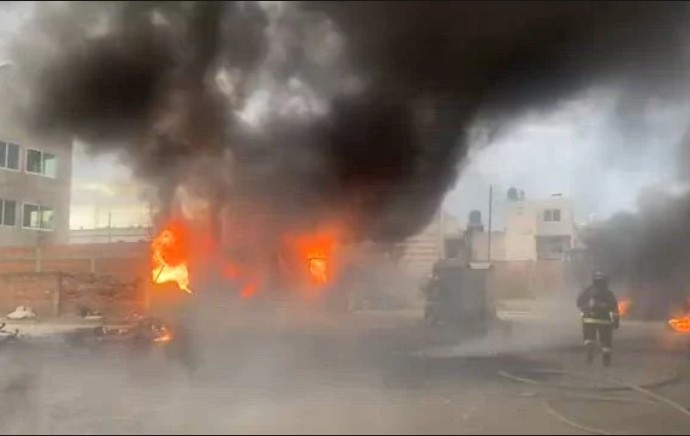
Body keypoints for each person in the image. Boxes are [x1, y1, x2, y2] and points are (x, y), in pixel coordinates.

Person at [577, 271, 619, 367]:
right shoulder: (608, 293)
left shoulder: (588, 291)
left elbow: (578, 302)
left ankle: (590, 354)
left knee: (589, 339)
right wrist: (616, 321)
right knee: (606, 342)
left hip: (588, 319)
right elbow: (614, 309)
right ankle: (606, 358)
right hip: (605, 321)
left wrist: (586, 307)